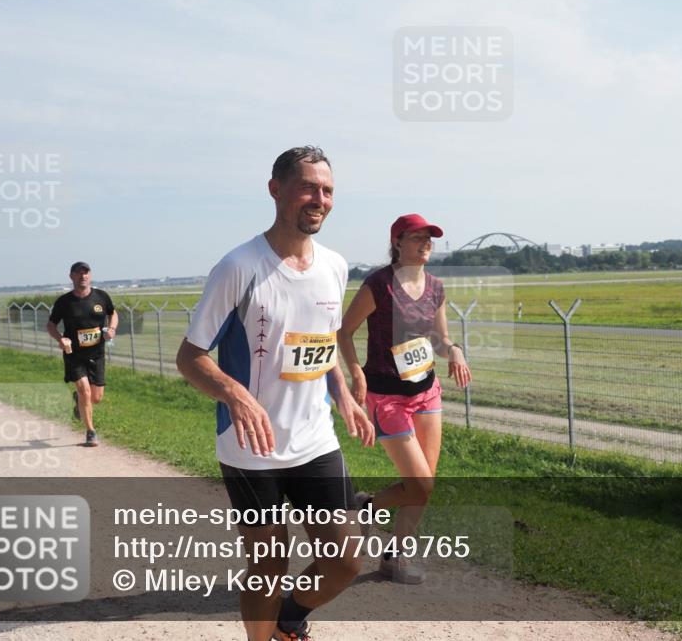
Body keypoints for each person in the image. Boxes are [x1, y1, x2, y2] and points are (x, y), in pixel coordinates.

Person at [176, 146, 374, 641]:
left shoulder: (335, 266)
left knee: (346, 560)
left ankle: (288, 617)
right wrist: (235, 394)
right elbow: (190, 356)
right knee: (268, 564)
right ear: (275, 190)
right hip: (251, 447)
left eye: (327, 190)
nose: (319, 199)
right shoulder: (239, 267)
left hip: (315, 440)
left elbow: (322, 344)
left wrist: (343, 394)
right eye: (308, 187)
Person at [336, 214, 472, 584]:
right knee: (420, 484)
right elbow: (344, 332)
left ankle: (394, 556)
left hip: (426, 392)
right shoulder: (379, 285)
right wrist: (357, 373)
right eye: (416, 237)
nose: (426, 243)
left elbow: (439, 339)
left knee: (424, 484)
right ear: (397, 242)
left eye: (429, 238)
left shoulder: (436, 287)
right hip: (387, 397)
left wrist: (455, 351)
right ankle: (369, 507)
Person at [46, 262, 118, 447]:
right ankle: (90, 432)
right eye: (78, 273)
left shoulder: (101, 296)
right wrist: (61, 339)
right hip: (74, 354)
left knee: (96, 398)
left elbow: (113, 313)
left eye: (86, 273)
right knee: (85, 390)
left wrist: (112, 329)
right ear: (71, 277)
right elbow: (51, 325)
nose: (83, 276)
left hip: (97, 353)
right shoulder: (64, 302)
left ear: (90, 276)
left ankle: (78, 401)